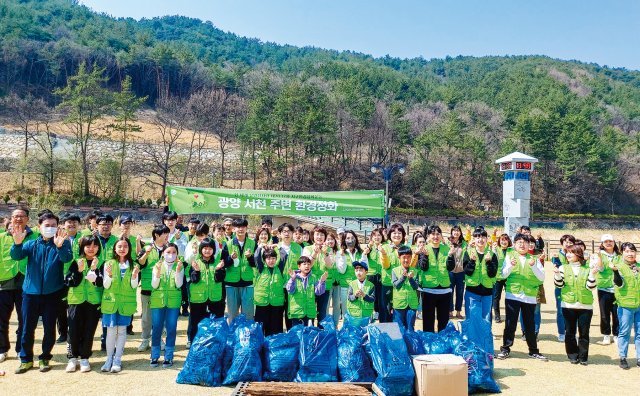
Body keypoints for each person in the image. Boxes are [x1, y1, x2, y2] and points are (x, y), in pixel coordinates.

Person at [11, 211, 73, 374]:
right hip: (30, 293)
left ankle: (44, 357)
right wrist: (17, 244)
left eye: (53, 226)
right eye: (47, 226)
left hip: (52, 293)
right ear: (39, 227)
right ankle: (25, 359)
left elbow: (67, 259)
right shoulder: (31, 244)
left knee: (48, 327)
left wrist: (59, 247)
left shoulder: (62, 242)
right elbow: (16, 256)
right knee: (26, 327)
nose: (50, 228)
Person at [497, 233, 548, 361]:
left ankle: (533, 350)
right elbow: (502, 275)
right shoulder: (509, 256)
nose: (522, 244)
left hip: (529, 296)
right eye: (519, 242)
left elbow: (541, 278)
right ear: (514, 244)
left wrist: (534, 266)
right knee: (510, 324)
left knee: (529, 324)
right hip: (513, 295)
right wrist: (510, 266)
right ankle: (505, 348)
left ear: (529, 245)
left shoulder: (534, 259)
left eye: (525, 242)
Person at [0, 207, 38, 363]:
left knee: (25, 319)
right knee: (1, 319)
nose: (18, 219)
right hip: (4, 283)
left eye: (22, 216)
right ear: (11, 218)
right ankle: (2, 349)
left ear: (27, 219)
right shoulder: (2, 237)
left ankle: (21, 349)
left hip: (26, 284)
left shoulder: (35, 237)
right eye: (15, 216)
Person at [64, 235, 104, 373]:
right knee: (73, 330)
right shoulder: (76, 262)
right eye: (88, 246)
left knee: (89, 330)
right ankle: (72, 358)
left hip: (93, 301)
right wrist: (79, 271)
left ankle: (85, 357)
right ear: (82, 247)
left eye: (94, 246)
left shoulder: (102, 262)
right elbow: (70, 282)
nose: (91, 249)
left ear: (99, 247)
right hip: (76, 301)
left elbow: (101, 283)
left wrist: (94, 270)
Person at [101, 237, 139, 373]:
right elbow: (106, 284)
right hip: (111, 302)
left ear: (129, 249)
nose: (122, 249)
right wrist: (109, 275)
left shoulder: (134, 265)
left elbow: (134, 286)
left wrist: (134, 277)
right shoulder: (108, 263)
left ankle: (118, 359)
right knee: (110, 331)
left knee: (122, 331)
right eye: (120, 246)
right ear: (115, 249)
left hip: (126, 303)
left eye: (125, 246)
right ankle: (109, 358)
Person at [553, 244, 596, 365]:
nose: (568, 255)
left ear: (578, 254)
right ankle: (572, 355)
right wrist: (556, 274)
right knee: (570, 332)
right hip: (568, 305)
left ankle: (583, 357)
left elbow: (591, 287)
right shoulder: (563, 268)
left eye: (571, 252)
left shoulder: (587, 269)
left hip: (585, 306)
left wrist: (592, 274)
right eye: (567, 252)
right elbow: (559, 285)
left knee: (584, 333)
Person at [188, 238, 229, 343]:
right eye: (205, 248)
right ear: (201, 249)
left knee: (216, 324)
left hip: (216, 299)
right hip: (198, 299)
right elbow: (193, 280)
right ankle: (194, 345)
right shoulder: (195, 263)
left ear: (213, 250)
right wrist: (196, 271)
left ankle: (216, 346)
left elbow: (219, 279)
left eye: (210, 248)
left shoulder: (218, 263)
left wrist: (218, 269)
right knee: (196, 324)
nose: (207, 251)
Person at [137, 224, 170, 352]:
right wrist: (146, 253)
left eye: (168, 234)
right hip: (148, 287)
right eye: (165, 234)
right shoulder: (146, 247)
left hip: (163, 288)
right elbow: (140, 263)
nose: (167, 236)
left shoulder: (169, 248)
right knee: (146, 316)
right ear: (156, 235)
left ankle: (159, 339)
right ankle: (145, 340)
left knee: (161, 315)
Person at [150, 243, 184, 368]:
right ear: (163, 253)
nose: (171, 255)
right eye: (168, 252)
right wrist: (158, 273)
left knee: (171, 328)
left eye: (174, 252)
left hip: (173, 301)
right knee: (157, 327)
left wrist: (178, 272)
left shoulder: (179, 266)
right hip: (158, 301)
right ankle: (154, 355)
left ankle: (169, 356)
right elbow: (154, 285)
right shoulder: (157, 265)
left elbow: (179, 285)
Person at [418, 225, 455, 332]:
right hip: (429, 289)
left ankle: (442, 345)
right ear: (428, 236)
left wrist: (450, 256)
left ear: (441, 236)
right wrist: (424, 256)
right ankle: (429, 345)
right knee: (428, 321)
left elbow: (450, 267)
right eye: (433, 234)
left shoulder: (447, 249)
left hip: (444, 290)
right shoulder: (424, 249)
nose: (436, 236)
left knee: (443, 321)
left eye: (438, 234)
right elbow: (423, 267)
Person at [609, 242, 640, 369]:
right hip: (625, 305)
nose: (630, 253)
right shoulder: (619, 267)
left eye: (632, 251)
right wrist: (615, 272)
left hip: (639, 305)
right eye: (627, 251)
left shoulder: (638, 266)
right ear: (622, 253)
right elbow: (619, 284)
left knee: (639, 333)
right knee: (624, 332)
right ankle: (622, 357)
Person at [463, 227, 499, 323]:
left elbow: (492, 274)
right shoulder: (468, 252)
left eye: (483, 237)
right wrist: (472, 261)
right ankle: (471, 338)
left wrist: (489, 262)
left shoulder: (492, 254)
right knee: (471, 319)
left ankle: (485, 338)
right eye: (477, 237)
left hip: (487, 292)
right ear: (474, 239)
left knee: (486, 320)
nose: (480, 239)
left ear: (487, 239)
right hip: (472, 292)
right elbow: (467, 272)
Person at [224, 218, 256, 321]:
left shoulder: (253, 243)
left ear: (246, 228)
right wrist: (230, 258)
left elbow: (256, 264)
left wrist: (250, 257)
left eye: (243, 227)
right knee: (232, 315)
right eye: (238, 227)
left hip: (248, 283)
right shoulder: (228, 244)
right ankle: (233, 336)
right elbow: (223, 263)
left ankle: (246, 337)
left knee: (248, 315)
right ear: (233, 229)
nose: (240, 229)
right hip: (231, 284)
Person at [302, 226, 335, 324]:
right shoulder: (307, 249)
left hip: (325, 285)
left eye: (322, 235)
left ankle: (321, 336)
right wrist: (315, 253)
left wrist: (325, 253)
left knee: (322, 313)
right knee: (310, 311)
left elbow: (330, 266)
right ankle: (310, 334)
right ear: (313, 236)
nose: (319, 237)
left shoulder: (329, 250)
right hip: (310, 285)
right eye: (317, 234)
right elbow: (307, 266)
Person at [336, 231, 369, 324]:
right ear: (344, 240)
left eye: (352, 238)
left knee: (358, 309)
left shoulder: (361, 252)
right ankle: (347, 332)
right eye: (348, 238)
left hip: (359, 286)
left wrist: (364, 255)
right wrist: (342, 257)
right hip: (345, 286)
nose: (350, 240)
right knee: (347, 311)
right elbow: (341, 270)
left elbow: (366, 267)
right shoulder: (340, 253)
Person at [286, 256, 327, 327]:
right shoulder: (294, 277)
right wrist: (292, 279)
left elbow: (319, 292)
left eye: (308, 264)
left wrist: (322, 282)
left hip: (309, 312)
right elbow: (289, 289)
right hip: (297, 313)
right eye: (304, 264)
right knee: (297, 335)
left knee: (309, 335)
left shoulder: (313, 278)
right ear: (299, 266)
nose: (307, 266)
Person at [253, 247, 286, 336]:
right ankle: (260, 347)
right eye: (268, 258)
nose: (271, 261)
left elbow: (284, 256)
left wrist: (278, 246)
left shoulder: (279, 268)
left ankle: (272, 347)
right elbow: (256, 257)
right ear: (264, 260)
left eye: (273, 258)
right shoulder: (260, 268)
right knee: (260, 328)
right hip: (262, 302)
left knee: (275, 328)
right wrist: (260, 247)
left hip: (276, 303)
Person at [595, 233, 620, 345]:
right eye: (606, 242)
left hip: (617, 289)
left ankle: (616, 334)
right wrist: (599, 257)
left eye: (610, 241)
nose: (608, 243)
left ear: (614, 242)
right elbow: (599, 269)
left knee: (617, 313)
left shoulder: (619, 255)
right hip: (603, 288)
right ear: (602, 244)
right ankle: (606, 335)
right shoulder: (599, 255)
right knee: (604, 313)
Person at [551, 234, 576, 342]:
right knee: (561, 310)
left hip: (574, 286)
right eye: (566, 242)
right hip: (561, 286)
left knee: (573, 310)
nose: (568, 244)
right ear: (562, 242)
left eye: (571, 242)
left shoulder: (576, 254)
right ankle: (561, 332)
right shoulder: (557, 254)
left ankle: (571, 332)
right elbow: (557, 266)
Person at [379, 223, 405, 323]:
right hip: (388, 283)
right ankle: (385, 334)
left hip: (402, 285)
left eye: (399, 233)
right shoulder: (384, 248)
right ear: (390, 234)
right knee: (386, 310)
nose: (397, 235)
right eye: (394, 233)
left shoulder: (406, 248)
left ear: (403, 235)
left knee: (399, 311)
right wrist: (384, 254)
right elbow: (386, 266)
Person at [392, 246, 419, 331]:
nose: (406, 260)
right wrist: (403, 277)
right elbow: (396, 285)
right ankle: (400, 344)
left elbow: (416, 287)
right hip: (399, 304)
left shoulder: (415, 271)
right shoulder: (394, 270)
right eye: (404, 258)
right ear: (399, 258)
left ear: (411, 258)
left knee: (410, 327)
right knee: (399, 328)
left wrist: (411, 278)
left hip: (412, 304)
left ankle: (410, 343)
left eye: (408, 257)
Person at [346, 261, 376, 327]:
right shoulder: (352, 284)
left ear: (366, 272)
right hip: (354, 315)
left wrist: (364, 295)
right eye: (356, 270)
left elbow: (372, 299)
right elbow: (349, 298)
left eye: (361, 270)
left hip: (366, 315)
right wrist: (355, 296)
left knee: (365, 334)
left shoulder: (371, 285)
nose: (358, 273)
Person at [447, 225, 467, 319]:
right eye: (454, 231)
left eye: (458, 231)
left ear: (460, 232)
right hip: (450, 271)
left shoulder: (464, 243)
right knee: (450, 291)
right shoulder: (447, 243)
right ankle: (450, 311)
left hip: (461, 271)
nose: (456, 232)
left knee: (460, 292)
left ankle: (458, 312)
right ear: (451, 232)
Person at [492, 233, 512, 323]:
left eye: (506, 240)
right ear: (499, 241)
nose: (504, 242)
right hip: (498, 277)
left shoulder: (511, 251)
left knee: (509, 297)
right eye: (502, 240)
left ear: (508, 241)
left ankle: (509, 315)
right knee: (496, 297)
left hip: (509, 277)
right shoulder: (496, 249)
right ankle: (497, 315)